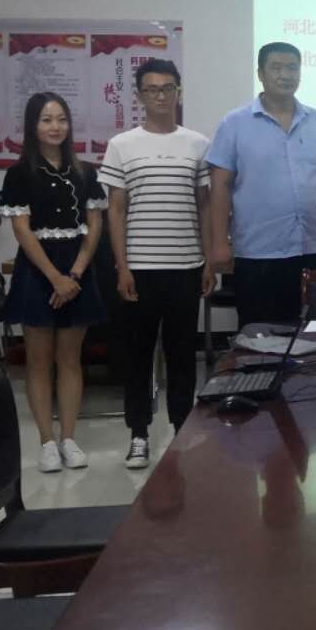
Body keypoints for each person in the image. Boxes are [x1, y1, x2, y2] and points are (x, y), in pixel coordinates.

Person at [99, 60, 212, 470]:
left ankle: (182, 428)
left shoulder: (198, 144)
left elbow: (204, 206)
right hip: (139, 270)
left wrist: (208, 261)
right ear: (140, 96)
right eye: (152, 89)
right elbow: (116, 210)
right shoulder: (122, 145)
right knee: (138, 356)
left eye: (167, 88)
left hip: (186, 266)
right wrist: (122, 266)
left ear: (178, 92)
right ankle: (139, 434)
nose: (160, 96)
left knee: (183, 356)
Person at [0, 92, 108, 473]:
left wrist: (74, 274)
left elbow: (94, 227)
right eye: (46, 120)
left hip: (76, 270)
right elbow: (21, 230)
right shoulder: (19, 173)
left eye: (61, 119)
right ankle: (47, 441)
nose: (55, 127)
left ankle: (69, 438)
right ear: (33, 126)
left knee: (70, 360)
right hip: (38, 270)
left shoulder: (86, 172)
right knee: (38, 362)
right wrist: (54, 278)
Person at [205, 42, 316, 328]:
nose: (285, 75)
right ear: (260, 73)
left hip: (315, 248)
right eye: (276, 67)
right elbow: (220, 185)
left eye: (292, 67)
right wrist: (219, 243)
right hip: (259, 253)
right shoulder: (235, 123)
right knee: (261, 338)